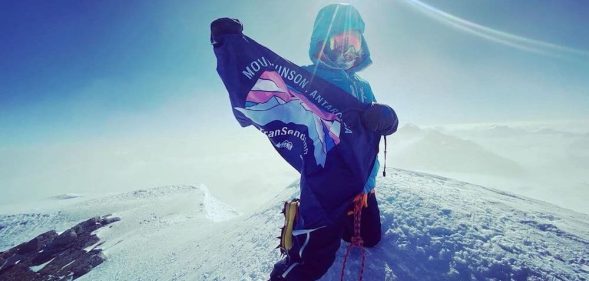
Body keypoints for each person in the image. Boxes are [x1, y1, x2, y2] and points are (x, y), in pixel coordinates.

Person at [270, 3, 398, 280]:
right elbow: (270, 86)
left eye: (353, 40)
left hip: (360, 182)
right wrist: (231, 48)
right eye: (338, 40)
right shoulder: (307, 78)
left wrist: (388, 118)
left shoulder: (362, 86)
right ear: (322, 43)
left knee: (369, 238)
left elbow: (375, 125)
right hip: (325, 184)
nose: (347, 49)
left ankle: (337, 218)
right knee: (313, 261)